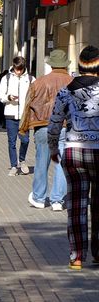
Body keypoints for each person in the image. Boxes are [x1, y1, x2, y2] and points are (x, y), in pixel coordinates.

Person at [49, 45, 99, 269]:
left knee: (76, 205)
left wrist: (53, 148)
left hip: (73, 151)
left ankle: (77, 256)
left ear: (79, 66)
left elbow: (54, 123)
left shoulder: (66, 91)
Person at [20, 49, 73, 211]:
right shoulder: (72, 82)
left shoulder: (38, 82)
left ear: (51, 65)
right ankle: (57, 200)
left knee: (41, 162)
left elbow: (27, 106)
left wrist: (23, 128)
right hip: (63, 127)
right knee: (61, 164)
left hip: (42, 126)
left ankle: (39, 198)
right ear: (65, 65)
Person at [0, 56, 34, 176]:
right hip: (10, 114)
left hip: (24, 115)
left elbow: (35, 95)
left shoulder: (30, 79)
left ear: (24, 68)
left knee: (25, 140)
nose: (18, 72)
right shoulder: (6, 78)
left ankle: (22, 160)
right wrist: (8, 97)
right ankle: (14, 165)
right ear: (13, 67)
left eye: (20, 69)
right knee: (11, 142)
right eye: (16, 69)